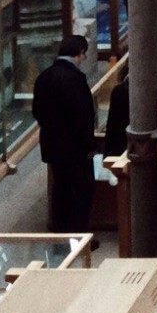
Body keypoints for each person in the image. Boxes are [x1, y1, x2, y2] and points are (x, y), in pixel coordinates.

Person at [31, 34, 97, 232]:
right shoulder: (74, 79)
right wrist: (88, 145)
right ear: (80, 54)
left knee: (60, 190)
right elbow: (81, 115)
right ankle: (78, 236)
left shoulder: (44, 77)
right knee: (82, 192)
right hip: (75, 149)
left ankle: (59, 233)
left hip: (53, 146)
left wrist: (52, 130)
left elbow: (37, 111)